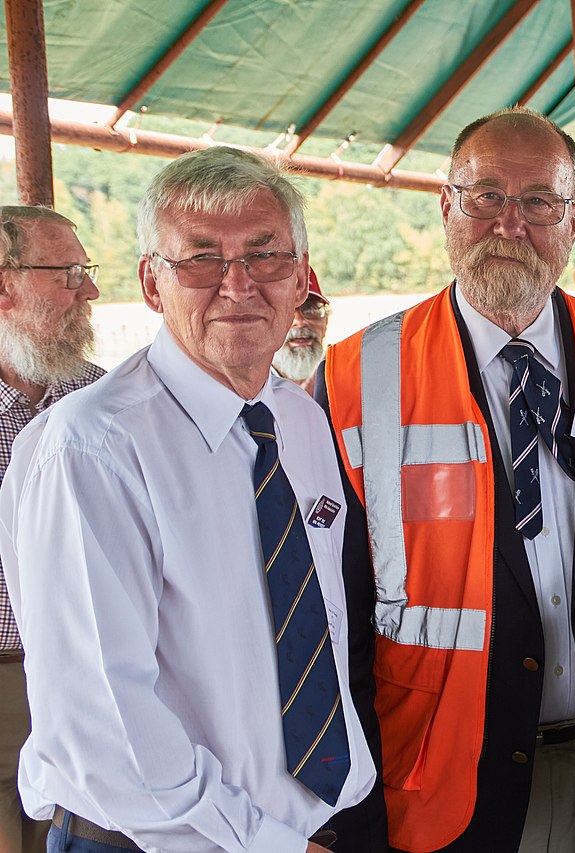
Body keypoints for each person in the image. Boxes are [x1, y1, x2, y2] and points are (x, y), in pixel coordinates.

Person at [320, 106, 575, 853]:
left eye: (538, 202)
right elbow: (332, 624)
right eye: (485, 196)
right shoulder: (358, 377)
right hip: (443, 793)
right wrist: (345, 820)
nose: (509, 224)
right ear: (445, 206)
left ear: (574, 219)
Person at [0, 147, 377, 852]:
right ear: (151, 282)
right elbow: (104, 727)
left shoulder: (299, 420)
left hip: (309, 824)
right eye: (201, 259)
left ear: (299, 276)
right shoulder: (91, 448)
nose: (238, 286)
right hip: (155, 840)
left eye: (266, 256)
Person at [0, 206, 104, 853]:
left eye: (85, 272)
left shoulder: (108, 403)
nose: (89, 291)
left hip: (88, 695)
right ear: (3, 287)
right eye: (68, 273)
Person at [274, 268, 331, 395]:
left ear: (325, 322)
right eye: (286, 310)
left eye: (310, 309)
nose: (299, 321)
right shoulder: (246, 391)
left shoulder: (342, 377)